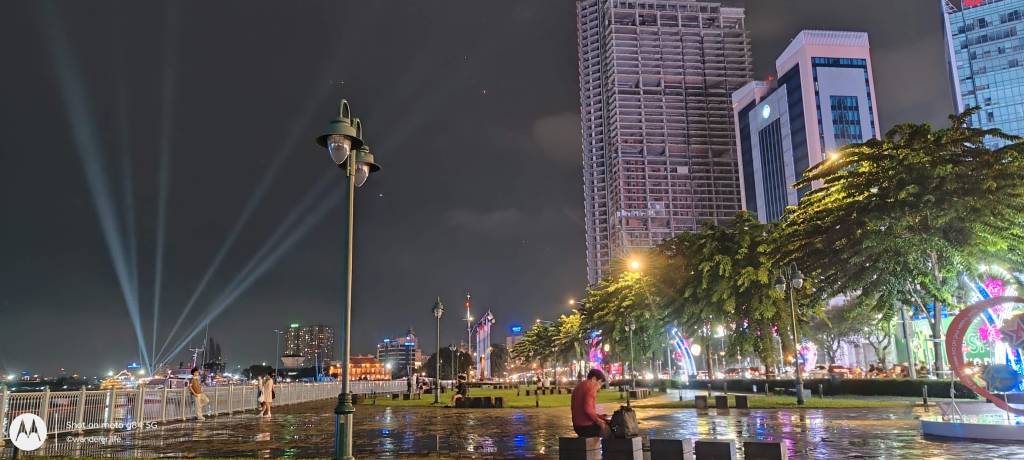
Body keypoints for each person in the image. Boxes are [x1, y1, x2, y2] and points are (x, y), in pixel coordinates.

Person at [571, 368, 609, 438]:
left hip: (577, 426)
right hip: (586, 426)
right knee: (610, 429)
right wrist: (598, 421)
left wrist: (598, 416)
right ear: (594, 379)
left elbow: (582, 408)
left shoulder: (579, 386)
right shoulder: (591, 387)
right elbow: (588, 409)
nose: (600, 387)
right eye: (600, 383)